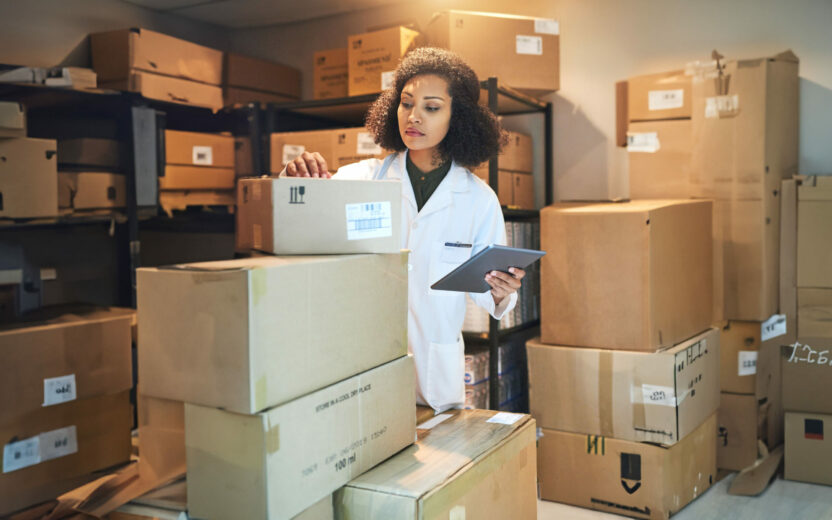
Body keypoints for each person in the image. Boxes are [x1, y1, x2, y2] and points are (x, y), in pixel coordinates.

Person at [283, 47, 525, 412]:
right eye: (406, 103)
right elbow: (294, 218)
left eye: (431, 107)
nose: (413, 117)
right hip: (365, 361)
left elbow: (490, 297)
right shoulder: (363, 179)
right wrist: (293, 176)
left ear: (457, 117)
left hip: (434, 371)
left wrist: (503, 292)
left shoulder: (478, 199)